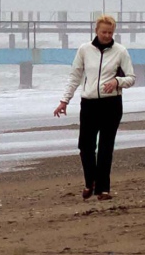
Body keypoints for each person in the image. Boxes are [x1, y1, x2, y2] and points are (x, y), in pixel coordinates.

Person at [53, 14, 136, 200]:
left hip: (111, 104)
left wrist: (117, 81)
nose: (107, 35)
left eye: (110, 32)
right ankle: (90, 181)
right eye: (103, 31)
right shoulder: (84, 50)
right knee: (85, 146)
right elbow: (75, 76)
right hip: (89, 103)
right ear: (96, 31)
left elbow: (131, 78)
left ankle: (103, 189)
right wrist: (64, 101)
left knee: (106, 147)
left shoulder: (120, 51)